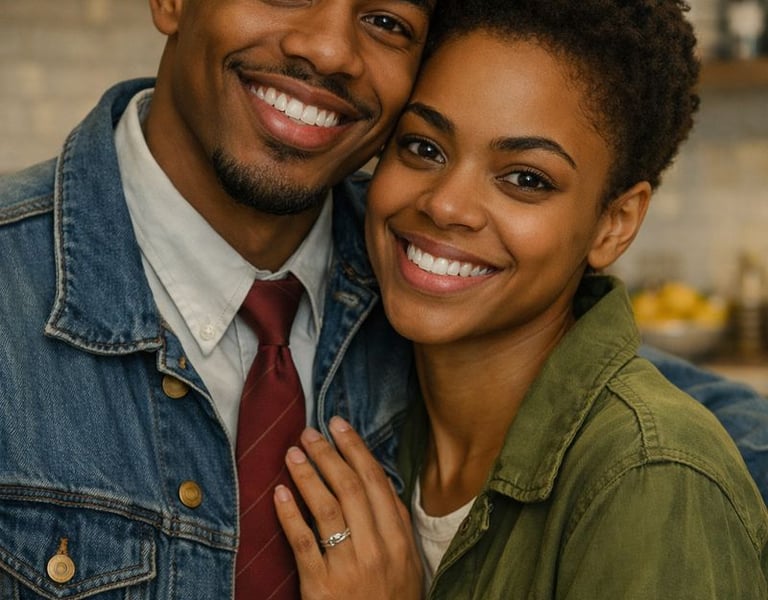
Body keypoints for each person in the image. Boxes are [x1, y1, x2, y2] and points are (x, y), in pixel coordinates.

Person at [0, 0, 765, 598]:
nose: (329, 49)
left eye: (387, 21)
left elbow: (633, 421)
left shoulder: (421, 286)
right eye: (426, 149)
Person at [274, 0, 768, 597]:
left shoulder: (652, 479)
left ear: (614, 223)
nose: (446, 204)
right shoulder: (374, 415)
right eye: (425, 148)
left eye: (526, 179)